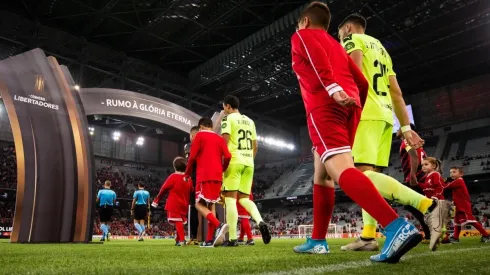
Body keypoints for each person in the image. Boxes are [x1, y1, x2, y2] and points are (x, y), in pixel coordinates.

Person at [290, 2, 421, 263]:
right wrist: (354, 105)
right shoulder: (337, 46)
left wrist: (331, 89)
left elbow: (315, 60)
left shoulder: (302, 35)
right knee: (322, 175)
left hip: (324, 106)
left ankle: (396, 226)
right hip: (349, 107)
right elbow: (361, 82)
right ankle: (317, 240)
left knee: (342, 171)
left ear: (304, 21)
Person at [337, 13, 449, 252]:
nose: (340, 38)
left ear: (347, 28)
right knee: (368, 179)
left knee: (356, 176)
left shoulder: (351, 40)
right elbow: (396, 92)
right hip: (385, 117)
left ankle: (429, 206)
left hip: (364, 113)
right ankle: (368, 237)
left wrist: (343, 109)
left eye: (339, 33)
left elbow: (353, 76)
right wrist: (406, 127)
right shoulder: (382, 51)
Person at [221, 95, 271, 247]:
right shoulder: (250, 121)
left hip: (234, 161)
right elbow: (256, 146)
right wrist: (249, 159)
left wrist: (222, 164)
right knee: (244, 199)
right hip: (249, 162)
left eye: (224, 107)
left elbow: (224, 143)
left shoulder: (227, 119)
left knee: (230, 199)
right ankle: (260, 221)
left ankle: (233, 239)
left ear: (228, 106)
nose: (223, 110)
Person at [185, 117, 232, 247]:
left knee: (198, 204)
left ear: (201, 127)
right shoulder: (220, 139)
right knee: (211, 205)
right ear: (211, 126)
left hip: (204, 175)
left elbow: (192, 157)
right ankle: (209, 240)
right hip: (217, 176)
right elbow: (228, 156)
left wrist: (187, 174)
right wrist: (223, 168)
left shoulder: (200, 135)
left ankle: (219, 225)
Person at [397, 124, 432, 244]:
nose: (397, 129)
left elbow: (414, 156)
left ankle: (430, 232)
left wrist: (412, 175)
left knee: (410, 205)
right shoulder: (417, 143)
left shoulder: (407, 139)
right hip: (422, 177)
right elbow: (425, 158)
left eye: (400, 127)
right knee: (418, 206)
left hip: (415, 178)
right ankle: (430, 233)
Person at [153, 157, 193, 246]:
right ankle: (178, 239)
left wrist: (157, 199)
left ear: (174, 167)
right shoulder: (188, 178)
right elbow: (192, 190)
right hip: (184, 204)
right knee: (180, 222)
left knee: (178, 222)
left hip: (174, 203)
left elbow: (163, 188)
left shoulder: (173, 177)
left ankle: (182, 240)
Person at [445, 166, 490, 243]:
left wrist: (441, 181)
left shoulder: (459, 181)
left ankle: (486, 235)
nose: (452, 174)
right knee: (457, 222)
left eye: (454, 172)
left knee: (471, 221)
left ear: (461, 174)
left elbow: (447, 186)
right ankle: (455, 237)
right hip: (459, 206)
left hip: (463, 206)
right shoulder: (457, 181)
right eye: (451, 172)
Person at [185, 126, 201, 245]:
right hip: (207, 178)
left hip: (195, 179)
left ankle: (194, 236)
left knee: (194, 207)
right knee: (208, 205)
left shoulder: (189, 147)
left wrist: (186, 176)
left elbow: (190, 163)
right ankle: (215, 230)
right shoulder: (206, 144)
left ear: (192, 135)